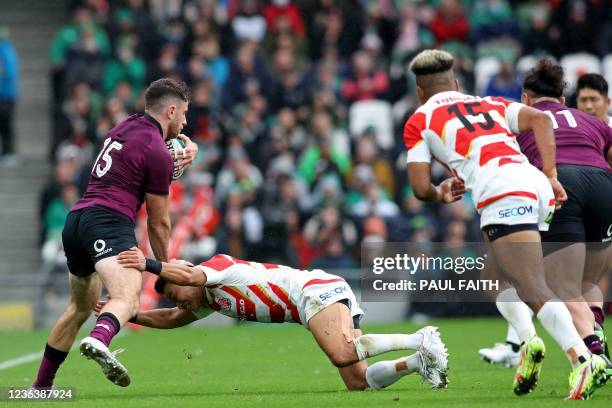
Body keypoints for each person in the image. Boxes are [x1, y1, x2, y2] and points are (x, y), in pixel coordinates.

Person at [403, 49, 607, 400]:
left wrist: (440, 193)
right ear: (455, 83)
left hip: (502, 191)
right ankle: (528, 344)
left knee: (533, 285)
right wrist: (552, 177)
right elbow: (541, 121)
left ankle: (583, 359)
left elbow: (420, 188)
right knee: (493, 277)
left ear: (420, 91)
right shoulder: (490, 103)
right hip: (533, 184)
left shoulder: (419, 120)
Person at [31, 78, 198, 389]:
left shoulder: (127, 125)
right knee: (127, 298)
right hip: (109, 222)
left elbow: (153, 151)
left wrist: (189, 148)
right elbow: (159, 223)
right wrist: (166, 269)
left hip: (77, 221)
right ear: (171, 110)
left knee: (79, 308)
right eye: (184, 114)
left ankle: (41, 388)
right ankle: (99, 339)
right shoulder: (157, 153)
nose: (185, 122)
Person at [106, 247, 449, 391]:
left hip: (311, 292)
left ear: (184, 274)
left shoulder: (216, 269)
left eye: (173, 290)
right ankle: (417, 362)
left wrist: (149, 264)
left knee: (343, 353)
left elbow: (193, 278)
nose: (176, 300)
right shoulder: (208, 299)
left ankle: (421, 339)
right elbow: (169, 319)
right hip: (320, 293)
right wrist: (127, 313)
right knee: (357, 381)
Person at [480, 65, 612, 369]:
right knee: (588, 279)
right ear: (563, 100)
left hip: (562, 183)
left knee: (562, 284)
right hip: (603, 185)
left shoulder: (519, 123)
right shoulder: (590, 120)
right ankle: (595, 327)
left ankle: (594, 354)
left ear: (526, 98)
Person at [0, 26, 19, 166]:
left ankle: (9, 153)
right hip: (8, 94)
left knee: (5, 125)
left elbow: (9, 73)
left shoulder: (4, 50)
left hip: (5, 95)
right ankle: (8, 152)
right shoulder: (9, 49)